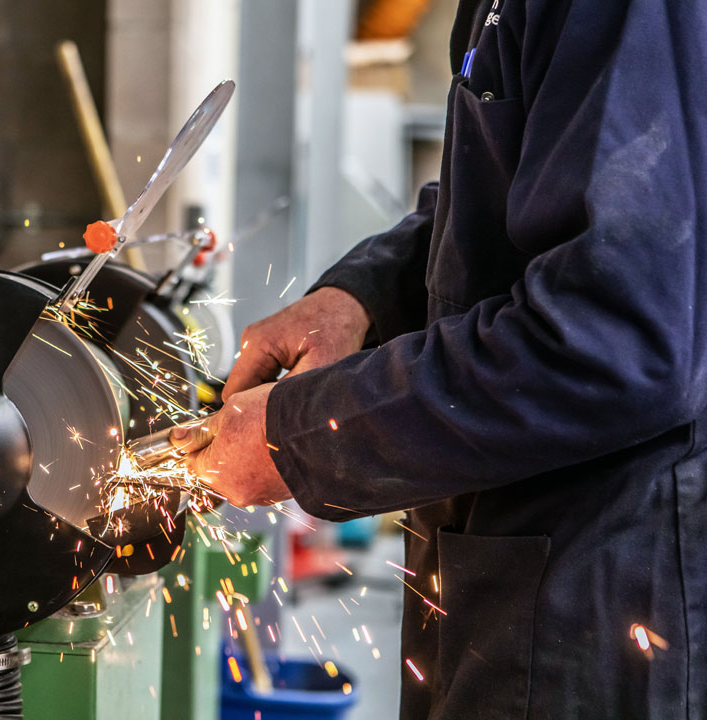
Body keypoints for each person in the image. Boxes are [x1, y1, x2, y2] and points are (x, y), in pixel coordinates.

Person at [171, 1, 707, 717]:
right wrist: (360, 294)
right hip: (509, 568)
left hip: (603, 595)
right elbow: (497, 198)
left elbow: (612, 337)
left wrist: (298, 434)